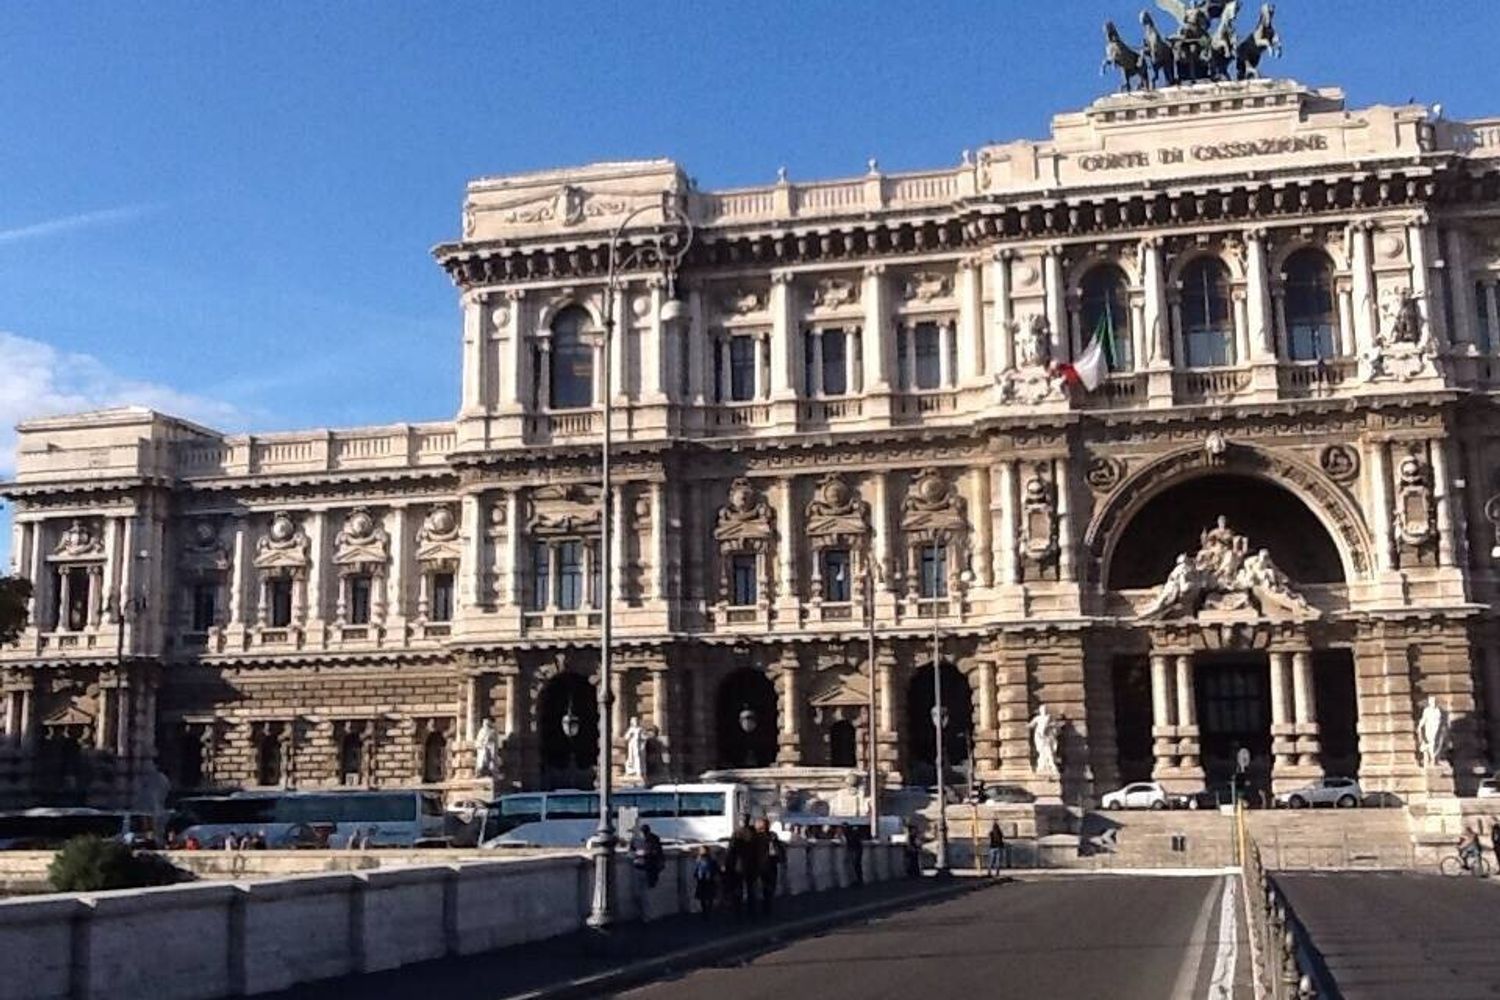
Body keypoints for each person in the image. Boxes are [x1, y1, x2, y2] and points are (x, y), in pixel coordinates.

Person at [757, 818, 785, 916]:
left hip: (765, 865)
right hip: (767, 864)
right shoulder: (770, 836)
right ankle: (766, 907)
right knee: (768, 887)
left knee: (767, 887)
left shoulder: (761, 836)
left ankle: (766, 907)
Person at [692, 846, 721, 920]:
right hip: (706, 880)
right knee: (707, 897)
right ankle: (707, 911)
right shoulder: (707, 859)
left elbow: (697, 869)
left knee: (705, 897)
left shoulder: (702, 860)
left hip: (705, 880)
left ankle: (706, 912)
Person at [632, 823, 665, 889]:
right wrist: (637, 853)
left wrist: (645, 853)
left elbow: (658, 852)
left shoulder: (654, 839)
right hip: (639, 866)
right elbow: (630, 852)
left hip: (651, 866)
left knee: (650, 886)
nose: (644, 835)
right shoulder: (636, 840)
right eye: (643, 833)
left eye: (646, 833)